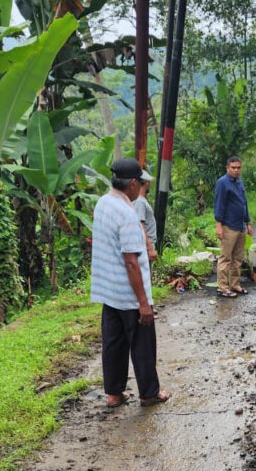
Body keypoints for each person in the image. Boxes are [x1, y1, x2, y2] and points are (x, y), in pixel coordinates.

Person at [91, 158, 170, 408]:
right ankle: (149, 393)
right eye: (141, 183)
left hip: (108, 291)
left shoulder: (103, 203)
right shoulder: (127, 214)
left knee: (113, 343)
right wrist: (143, 303)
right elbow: (131, 262)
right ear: (133, 184)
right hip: (129, 294)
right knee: (143, 344)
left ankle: (114, 393)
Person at [214, 156, 254, 298]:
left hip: (240, 225)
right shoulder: (222, 183)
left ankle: (235, 284)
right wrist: (219, 226)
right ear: (227, 168)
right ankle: (222, 287)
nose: (236, 170)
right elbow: (219, 204)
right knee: (225, 258)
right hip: (228, 225)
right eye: (233, 168)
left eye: (238, 168)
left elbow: (244, 203)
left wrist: (248, 223)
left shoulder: (239, 182)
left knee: (237, 258)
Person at [132, 170, 158, 262]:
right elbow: (141, 225)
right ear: (146, 183)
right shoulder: (140, 202)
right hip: (144, 247)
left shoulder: (140, 200)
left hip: (144, 246)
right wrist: (150, 248)